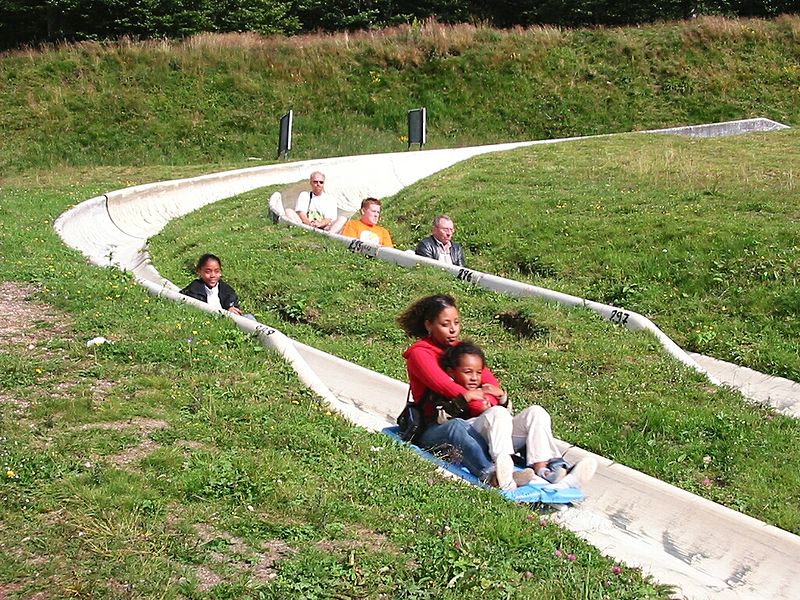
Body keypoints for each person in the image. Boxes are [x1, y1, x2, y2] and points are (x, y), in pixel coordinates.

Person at [398, 294, 594, 491]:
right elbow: (449, 389)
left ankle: (551, 470)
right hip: (437, 428)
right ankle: (493, 474)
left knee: (535, 413)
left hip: (478, 423)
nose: (453, 329)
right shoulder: (420, 354)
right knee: (457, 426)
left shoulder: (464, 351)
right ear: (429, 326)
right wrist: (477, 400)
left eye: (456, 323)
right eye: (445, 324)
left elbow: (492, 386)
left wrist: (492, 399)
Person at [440, 342, 596, 491]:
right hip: (472, 436)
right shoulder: (447, 390)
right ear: (451, 372)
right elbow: (440, 420)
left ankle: (546, 471)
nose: (474, 377)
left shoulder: (483, 389)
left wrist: (502, 397)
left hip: (498, 438)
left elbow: (506, 419)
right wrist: (465, 399)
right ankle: (503, 469)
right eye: (468, 372)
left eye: (478, 373)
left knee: (536, 412)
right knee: (498, 413)